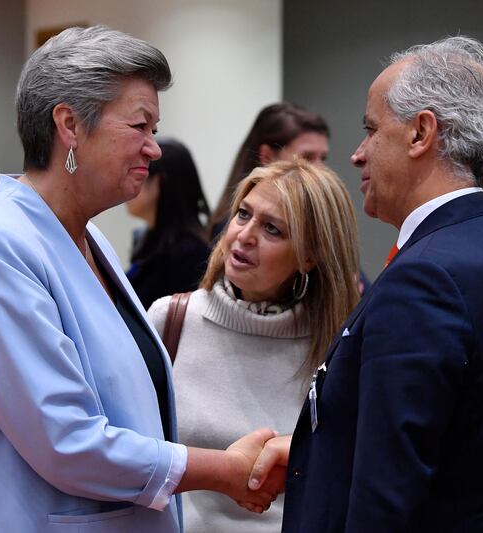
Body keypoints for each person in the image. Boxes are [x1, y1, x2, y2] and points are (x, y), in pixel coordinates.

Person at [0, 26, 283, 532]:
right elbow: (67, 441)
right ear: (69, 124)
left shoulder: (91, 242)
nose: (153, 149)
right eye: (140, 126)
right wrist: (222, 469)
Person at [250, 36, 483, 532]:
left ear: (421, 133)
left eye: (371, 131)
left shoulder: (425, 276)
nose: (357, 155)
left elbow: (387, 492)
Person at [148, 159, 360, 532]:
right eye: (243, 214)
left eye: (272, 229)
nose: (245, 236)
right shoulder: (171, 320)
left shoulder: (337, 345)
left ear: (309, 255)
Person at [209, 102, 330, 238]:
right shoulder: (229, 230)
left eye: (323, 158)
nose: (320, 169)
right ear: (266, 156)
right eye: (306, 158)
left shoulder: (317, 220)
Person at [127, 138, 211, 309]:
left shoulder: (190, 256)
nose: (128, 181)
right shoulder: (149, 243)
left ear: (159, 182)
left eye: (138, 172)